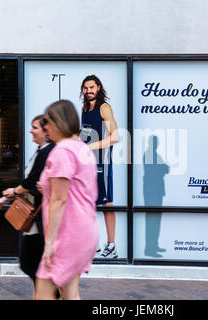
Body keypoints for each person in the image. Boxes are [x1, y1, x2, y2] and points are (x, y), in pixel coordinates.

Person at [35, 99, 99, 300]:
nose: (45, 128)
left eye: (47, 123)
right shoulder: (82, 148)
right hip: (84, 231)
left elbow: (59, 200)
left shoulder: (62, 151)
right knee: (69, 294)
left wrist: (49, 242)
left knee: (43, 294)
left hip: (68, 234)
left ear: (58, 123)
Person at [0, 115, 55, 295]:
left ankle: (49, 294)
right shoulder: (40, 150)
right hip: (34, 216)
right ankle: (46, 293)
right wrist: (6, 199)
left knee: (29, 262)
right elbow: (28, 183)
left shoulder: (48, 152)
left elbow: (33, 182)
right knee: (31, 263)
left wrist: (13, 192)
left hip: (40, 217)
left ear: (46, 131)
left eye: (35, 127)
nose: (31, 131)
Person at [80, 75, 119, 259]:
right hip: (88, 164)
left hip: (102, 162)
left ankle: (111, 246)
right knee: (89, 203)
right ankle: (92, 243)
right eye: (86, 88)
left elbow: (115, 136)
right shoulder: (85, 109)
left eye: (92, 87)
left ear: (98, 87)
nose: (88, 91)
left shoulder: (104, 108)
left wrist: (91, 147)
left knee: (107, 203)